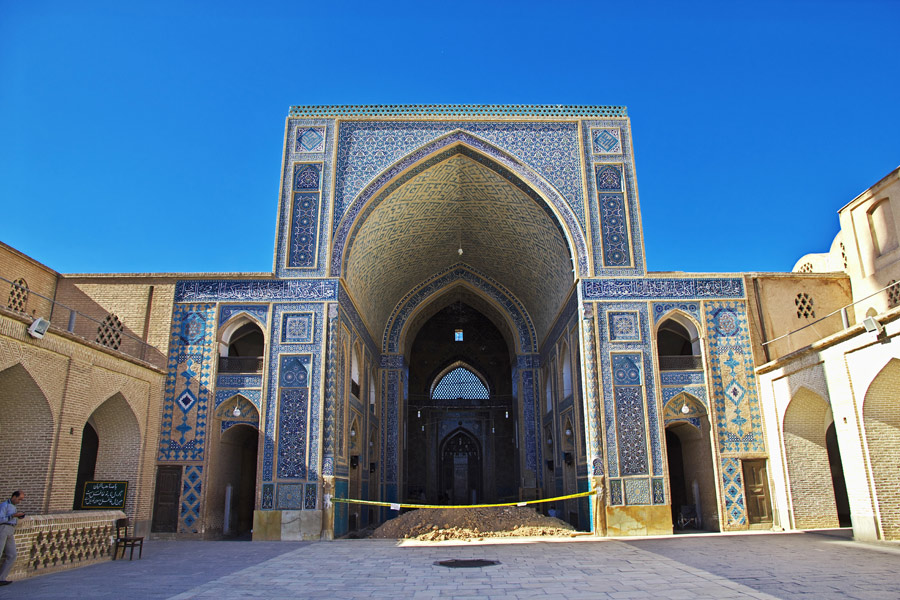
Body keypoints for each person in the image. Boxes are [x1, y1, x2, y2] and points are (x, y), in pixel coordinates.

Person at [0, 490, 25, 586]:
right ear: (14, 496)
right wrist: (13, 516)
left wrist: (18, 517)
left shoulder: (13, 506)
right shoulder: (4, 505)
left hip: (10, 530)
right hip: (3, 528)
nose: (19, 501)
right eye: (19, 499)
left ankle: (2, 578)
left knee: (12, 555)